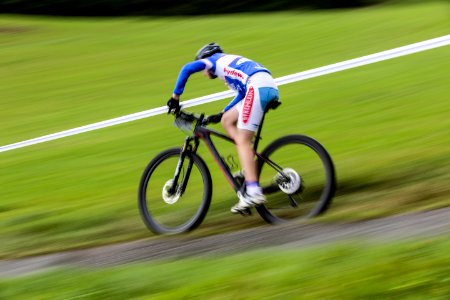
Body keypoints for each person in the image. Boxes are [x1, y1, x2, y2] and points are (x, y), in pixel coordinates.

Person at [167, 42, 280, 214]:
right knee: (227, 121)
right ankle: (248, 166)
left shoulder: (212, 61)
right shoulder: (228, 63)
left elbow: (186, 69)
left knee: (242, 139)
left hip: (257, 87)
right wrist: (222, 113)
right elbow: (242, 94)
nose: (205, 73)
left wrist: (175, 98)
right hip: (264, 85)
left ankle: (253, 192)